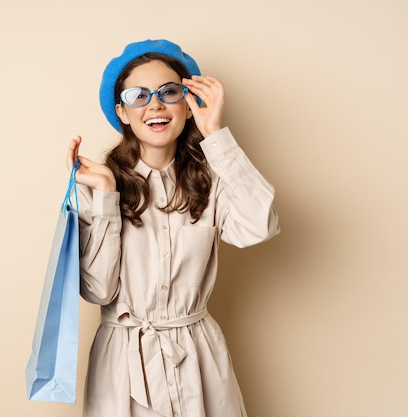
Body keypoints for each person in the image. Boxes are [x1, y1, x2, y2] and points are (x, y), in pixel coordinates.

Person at [65, 39, 280, 417]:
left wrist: (215, 134)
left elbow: (259, 226)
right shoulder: (95, 185)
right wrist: (107, 198)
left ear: (188, 102)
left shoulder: (212, 180)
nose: (155, 104)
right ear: (122, 112)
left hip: (199, 356)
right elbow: (98, 290)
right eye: (139, 95)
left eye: (169, 91)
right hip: (124, 367)